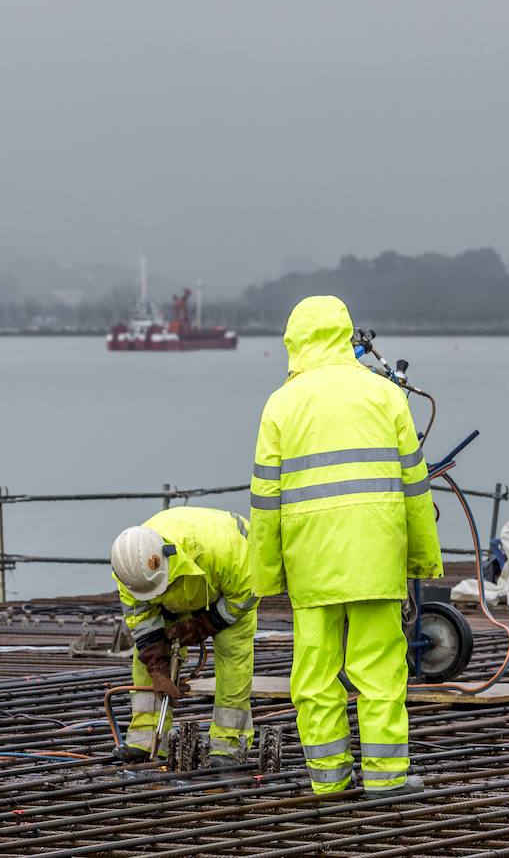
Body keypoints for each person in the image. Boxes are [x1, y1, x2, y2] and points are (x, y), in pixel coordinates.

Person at [248, 295, 442, 798]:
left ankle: (329, 784)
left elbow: (265, 501)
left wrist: (266, 574)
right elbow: (415, 488)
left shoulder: (281, 404)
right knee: (379, 671)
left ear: (294, 343)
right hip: (377, 558)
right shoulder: (384, 395)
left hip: (311, 564)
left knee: (314, 676)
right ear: (345, 335)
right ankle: (386, 781)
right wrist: (422, 556)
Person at [110, 506, 258, 775]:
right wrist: (157, 666)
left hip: (224, 592)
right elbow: (140, 620)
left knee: (233, 656)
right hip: (171, 598)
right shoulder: (130, 569)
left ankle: (228, 744)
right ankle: (145, 740)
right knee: (144, 658)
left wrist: (205, 625)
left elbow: (245, 597)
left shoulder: (225, 550)